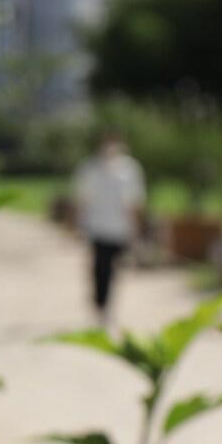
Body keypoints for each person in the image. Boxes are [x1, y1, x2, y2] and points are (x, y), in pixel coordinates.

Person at [73, 130, 145, 327]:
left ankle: (107, 304)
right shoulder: (90, 168)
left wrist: (136, 229)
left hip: (120, 229)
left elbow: (134, 203)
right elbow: (83, 200)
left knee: (115, 269)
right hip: (97, 228)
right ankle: (100, 303)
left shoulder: (130, 169)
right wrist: (79, 225)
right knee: (99, 268)